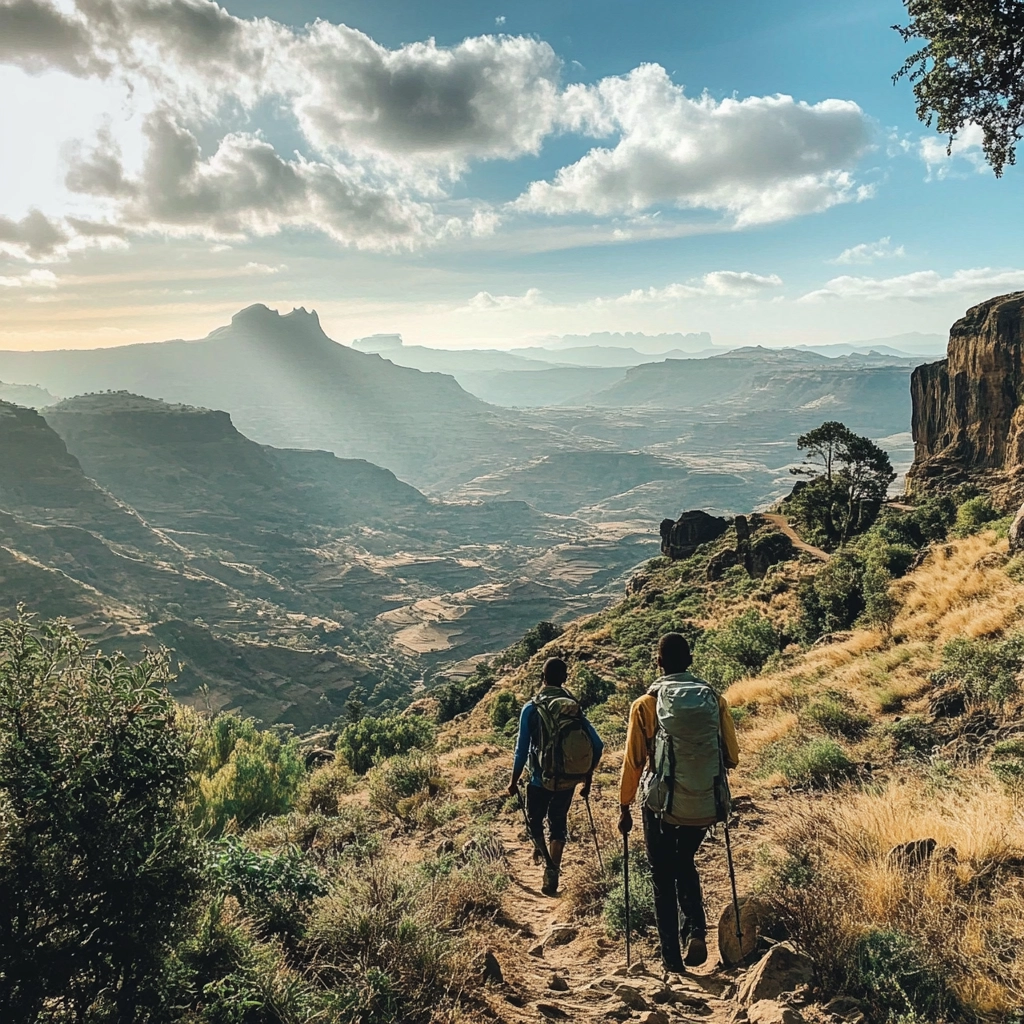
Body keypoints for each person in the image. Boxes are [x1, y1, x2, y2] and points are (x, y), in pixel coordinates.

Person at [617, 632, 740, 974]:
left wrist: (624, 804)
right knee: (683, 859)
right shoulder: (714, 700)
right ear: (690, 661)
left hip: (660, 806)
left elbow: (634, 762)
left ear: (658, 663)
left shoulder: (645, 705)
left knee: (661, 873)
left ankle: (672, 959)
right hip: (703, 803)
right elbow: (731, 756)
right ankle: (696, 930)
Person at [507, 657, 604, 896]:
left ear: (543, 678)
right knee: (558, 822)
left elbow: (521, 749)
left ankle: (548, 864)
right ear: (565, 679)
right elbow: (598, 745)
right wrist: (586, 776)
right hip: (568, 779)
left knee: (534, 821)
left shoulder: (531, 708)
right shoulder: (573, 708)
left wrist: (513, 780)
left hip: (540, 778)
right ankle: (554, 868)